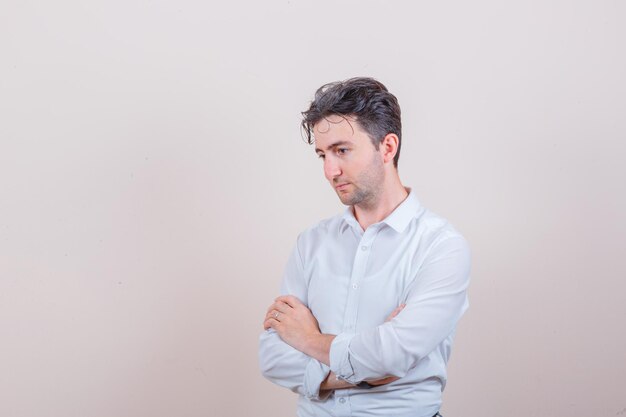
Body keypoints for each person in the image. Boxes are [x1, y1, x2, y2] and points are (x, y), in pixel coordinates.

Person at [258, 77, 470, 417]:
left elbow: (393, 354)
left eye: (342, 150)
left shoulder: (441, 247)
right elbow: (272, 357)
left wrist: (309, 340)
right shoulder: (311, 243)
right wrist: (369, 375)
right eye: (322, 154)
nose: (330, 170)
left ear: (387, 147)